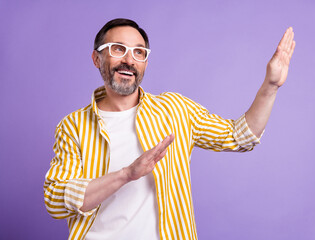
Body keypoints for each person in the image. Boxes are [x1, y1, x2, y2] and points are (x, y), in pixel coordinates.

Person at [44, 18, 295, 240]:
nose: (129, 60)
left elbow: (240, 137)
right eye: (118, 49)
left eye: (139, 52)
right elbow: (56, 200)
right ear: (97, 58)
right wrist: (127, 174)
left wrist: (270, 86)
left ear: (145, 62)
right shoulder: (73, 126)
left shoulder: (175, 109)